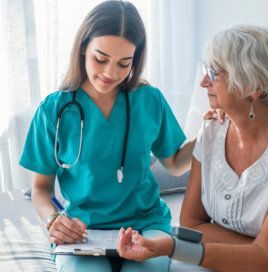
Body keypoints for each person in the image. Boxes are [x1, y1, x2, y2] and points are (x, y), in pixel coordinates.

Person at [116, 25, 268, 272]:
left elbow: (265, 258)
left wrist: (173, 247)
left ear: (254, 86)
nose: (204, 82)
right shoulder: (212, 131)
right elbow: (193, 224)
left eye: (215, 74)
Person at [19, 1, 195, 271]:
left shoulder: (148, 100)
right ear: (82, 49)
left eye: (124, 64)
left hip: (146, 225)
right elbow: (40, 189)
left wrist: (210, 135)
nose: (110, 73)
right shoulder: (54, 110)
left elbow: (174, 163)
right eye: (100, 59)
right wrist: (53, 221)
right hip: (82, 230)